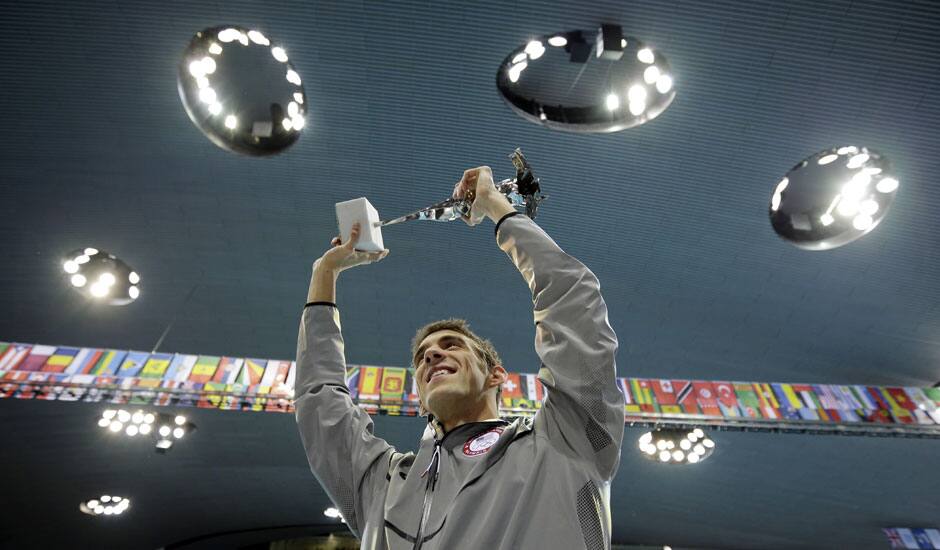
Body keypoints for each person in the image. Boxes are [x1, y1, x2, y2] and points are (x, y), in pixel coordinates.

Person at [295, 166, 624, 549]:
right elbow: (319, 403)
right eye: (421, 358)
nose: (432, 354)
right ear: (419, 398)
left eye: (451, 345)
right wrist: (324, 273)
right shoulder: (383, 486)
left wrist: (498, 209)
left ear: (496, 375)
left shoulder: (565, 439)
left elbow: (573, 303)